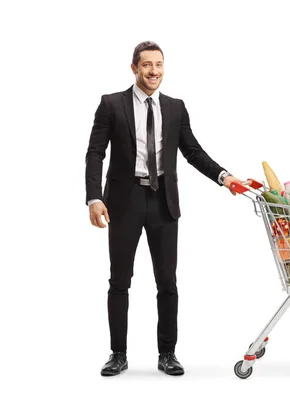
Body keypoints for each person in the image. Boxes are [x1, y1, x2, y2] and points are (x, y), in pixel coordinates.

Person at [85, 40, 243, 377]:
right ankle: (118, 354)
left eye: (158, 65)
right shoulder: (112, 105)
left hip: (163, 203)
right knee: (119, 281)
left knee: (167, 282)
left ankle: (167, 354)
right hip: (123, 203)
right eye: (146, 65)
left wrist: (224, 176)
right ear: (134, 68)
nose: (154, 71)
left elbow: (193, 151)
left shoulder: (175, 107)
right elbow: (95, 152)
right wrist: (93, 197)